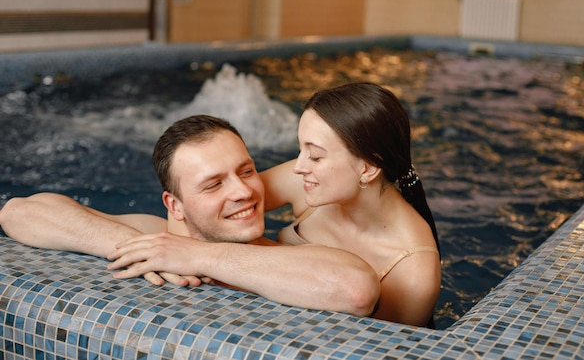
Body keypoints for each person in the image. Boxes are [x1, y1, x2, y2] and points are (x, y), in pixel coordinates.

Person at [2, 82, 441, 327]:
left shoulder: (412, 270)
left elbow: (359, 316)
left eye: (315, 155)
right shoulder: (307, 181)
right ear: (174, 205)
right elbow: (17, 212)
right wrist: (135, 244)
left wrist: (199, 254)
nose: (296, 167)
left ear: (368, 168)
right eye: (300, 149)